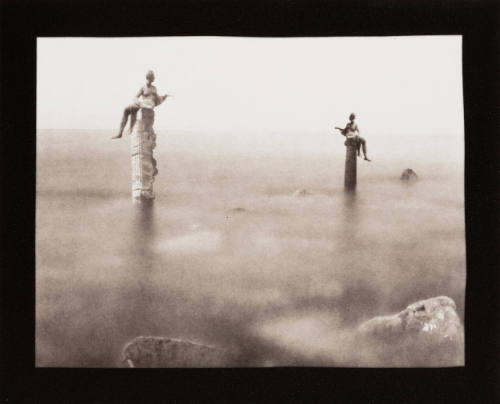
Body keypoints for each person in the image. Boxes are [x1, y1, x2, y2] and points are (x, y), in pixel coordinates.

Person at [112, 70, 169, 139]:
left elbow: (158, 99)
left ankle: (130, 129)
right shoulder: (143, 87)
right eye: (149, 78)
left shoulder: (154, 88)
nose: (149, 80)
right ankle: (120, 133)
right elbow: (136, 97)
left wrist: (164, 97)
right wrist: (138, 102)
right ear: (148, 78)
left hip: (149, 104)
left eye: (151, 78)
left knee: (132, 109)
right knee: (127, 109)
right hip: (143, 104)